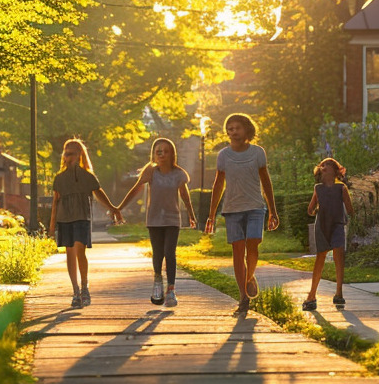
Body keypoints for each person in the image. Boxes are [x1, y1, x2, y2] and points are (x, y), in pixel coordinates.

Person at [203, 113, 279, 315]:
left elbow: (266, 182)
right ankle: (243, 297)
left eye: (237, 128)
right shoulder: (224, 156)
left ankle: (249, 277)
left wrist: (273, 210)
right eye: (230, 129)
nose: (233, 132)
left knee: (253, 243)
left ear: (247, 130)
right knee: (238, 252)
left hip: (255, 206)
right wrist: (211, 215)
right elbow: (218, 185)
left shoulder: (258, 153)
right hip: (232, 210)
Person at [119, 137, 196, 308]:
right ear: (153, 154)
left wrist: (191, 214)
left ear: (171, 154)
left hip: (172, 219)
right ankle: (157, 280)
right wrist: (120, 207)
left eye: (165, 151)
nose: (161, 154)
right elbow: (136, 189)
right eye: (158, 151)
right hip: (154, 219)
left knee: (170, 253)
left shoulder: (179, 174)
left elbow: (184, 195)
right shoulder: (151, 171)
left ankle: (171, 290)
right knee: (158, 253)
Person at [50, 138, 120, 308]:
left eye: (73, 153)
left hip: (81, 217)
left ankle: (84, 286)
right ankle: (75, 291)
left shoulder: (87, 176)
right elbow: (55, 202)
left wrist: (113, 208)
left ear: (80, 155)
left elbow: (99, 193)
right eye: (67, 154)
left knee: (80, 251)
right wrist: (52, 226)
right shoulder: (59, 178)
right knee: (69, 253)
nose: (69, 157)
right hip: (65, 219)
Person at [303, 156, 355, 311]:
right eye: (322, 165)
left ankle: (339, 293)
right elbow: (310, 209)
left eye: (328, 165)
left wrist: (350, 215)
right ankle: (311, 295)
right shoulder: (318, 188)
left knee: (339, 255)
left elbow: (350, 208)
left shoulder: (341, 188)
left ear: (335, 170)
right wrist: (314, 210)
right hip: (322, 226)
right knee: (321, 257)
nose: (324, 167)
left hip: (338, 225)